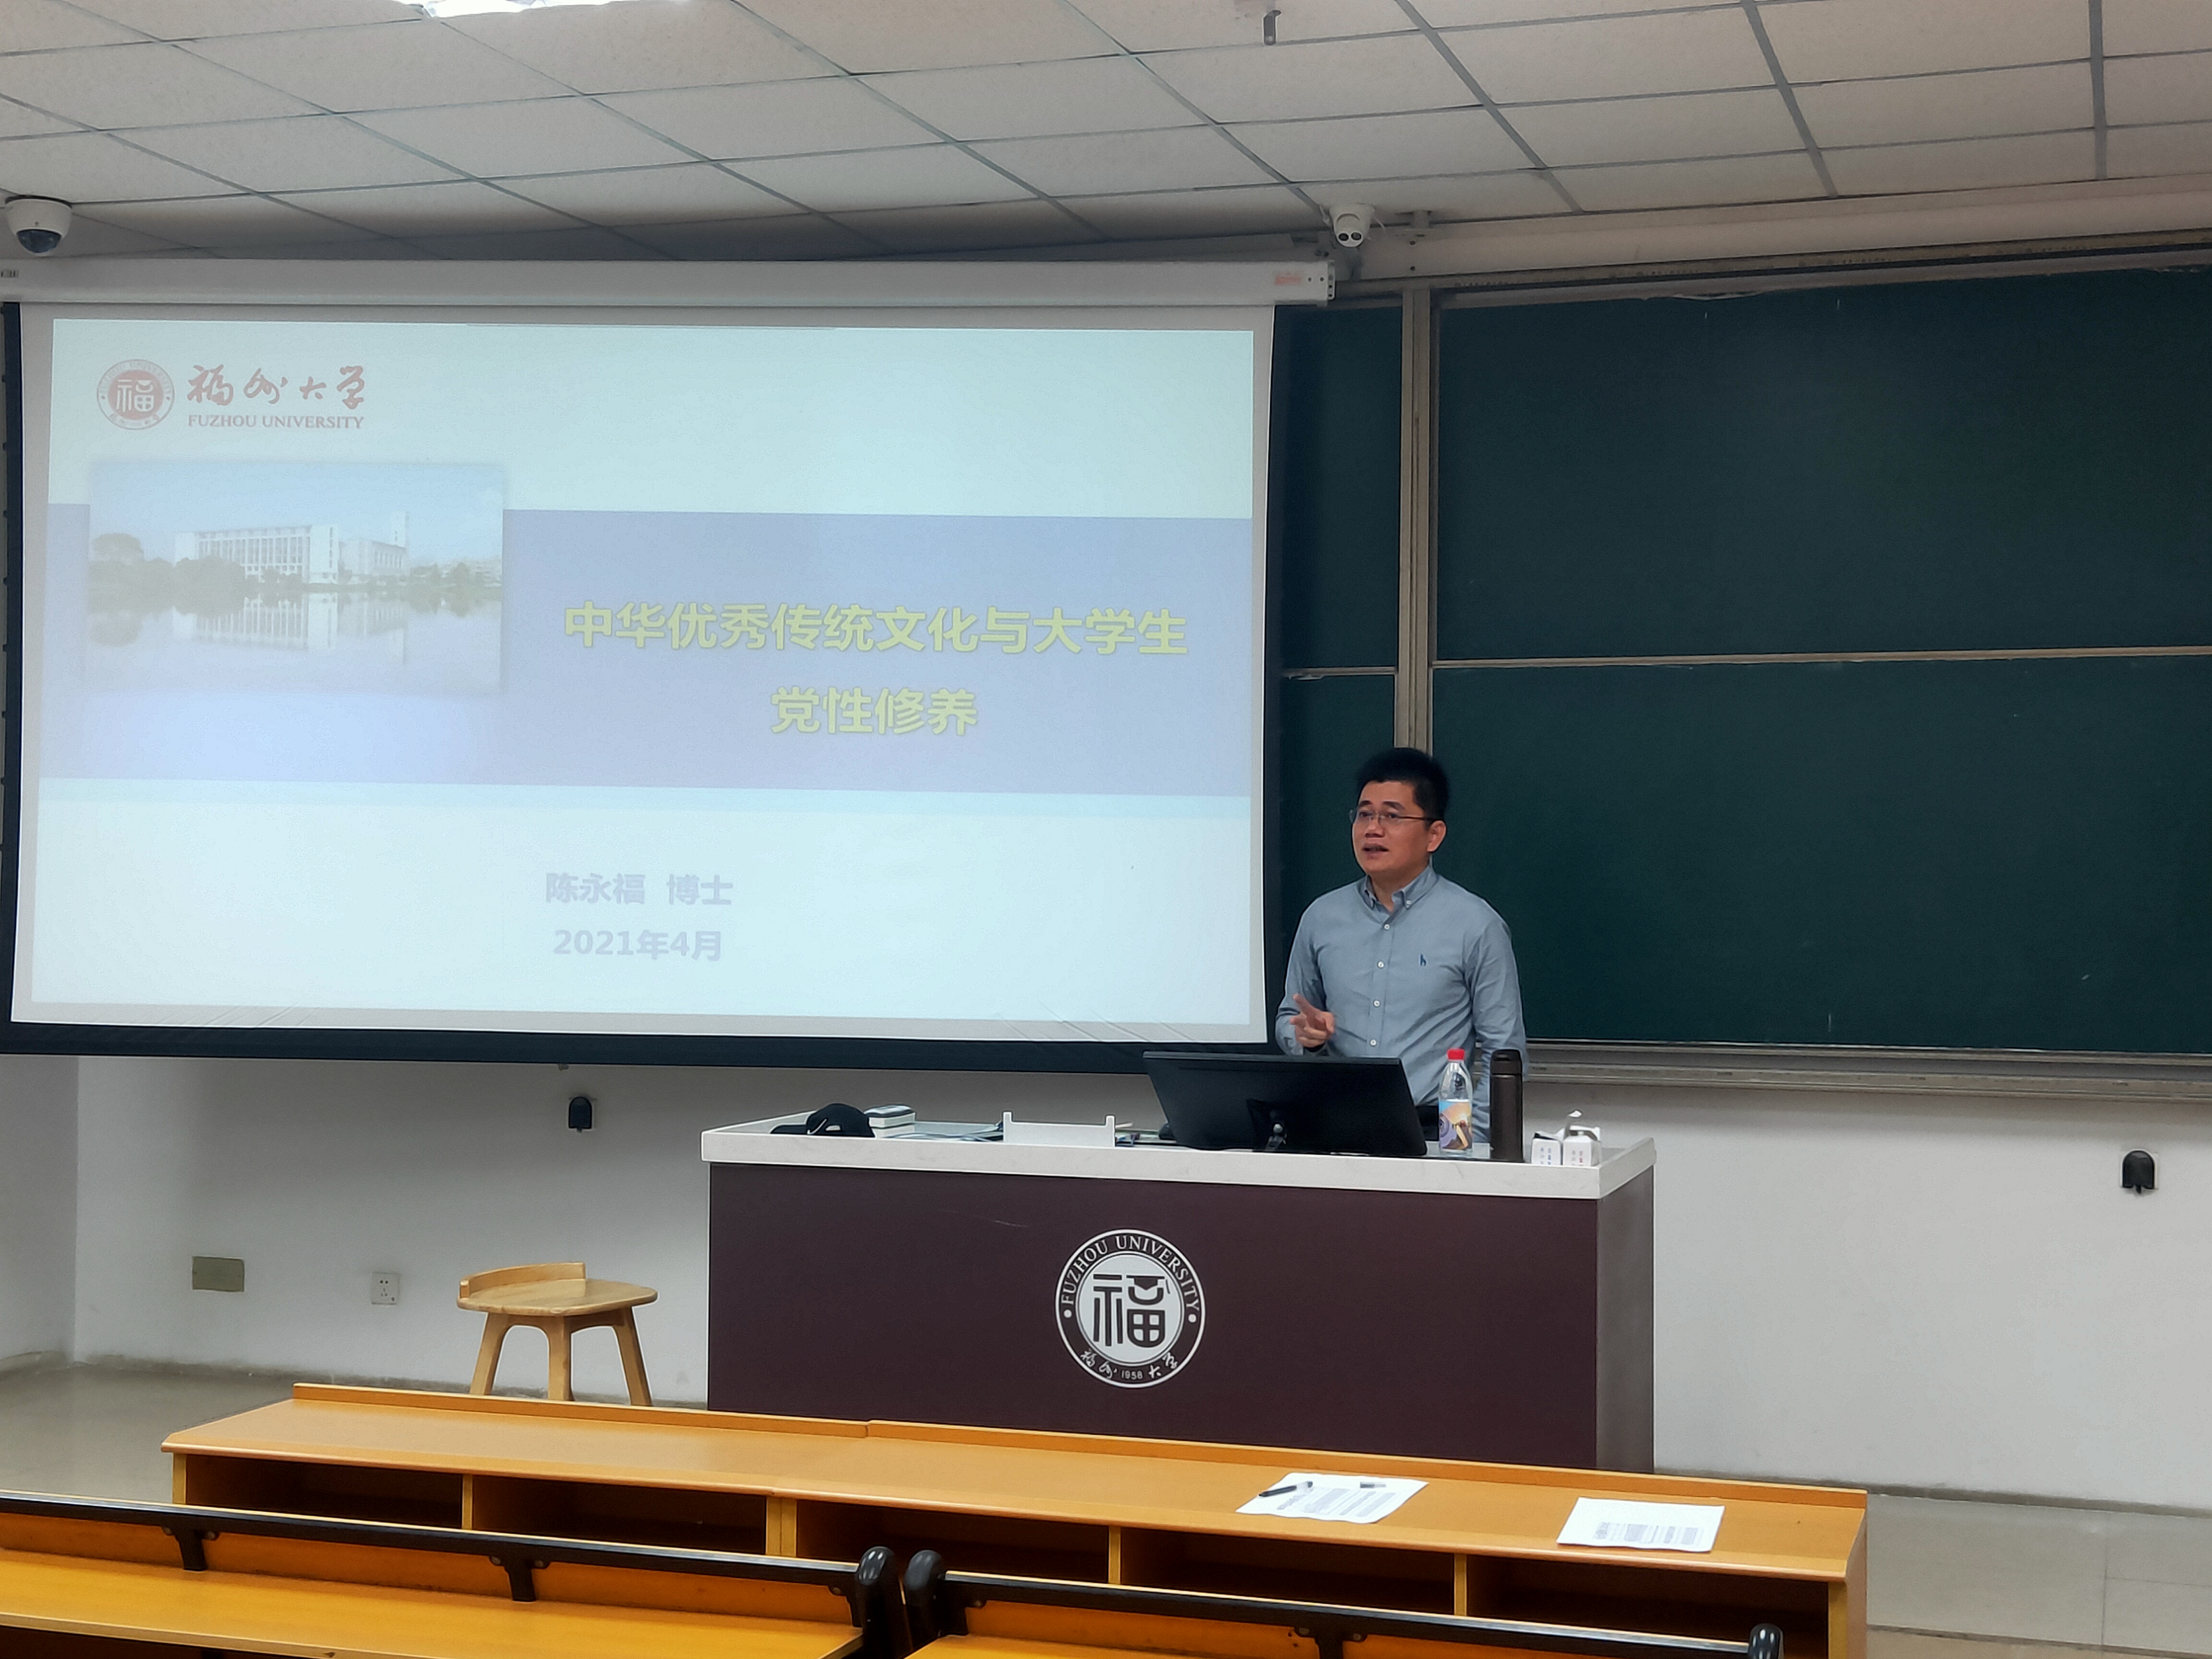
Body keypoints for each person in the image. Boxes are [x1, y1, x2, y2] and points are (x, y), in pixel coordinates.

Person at [1275, 747, 1525, 1140]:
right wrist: (1305, 1039)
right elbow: (1290, 1018)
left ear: (1434, 835)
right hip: (1334, 1129)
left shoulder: (1476, 925)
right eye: (1364, 815)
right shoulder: (1322, 918)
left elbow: (1504, 1050)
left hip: (1436, 1133)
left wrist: (1468, 1143)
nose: (1373, 830)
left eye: (1392, 816)